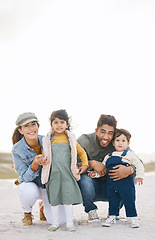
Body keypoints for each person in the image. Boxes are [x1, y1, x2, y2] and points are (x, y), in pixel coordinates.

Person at [77, 114, 138, 222]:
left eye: (110, 133)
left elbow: (137, 163)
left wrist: (129, 170)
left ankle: (114, 213)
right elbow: (72, 163)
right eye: (103, 132)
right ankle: (91, 211)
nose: (106, 137)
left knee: (129, 177)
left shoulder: (119, 142)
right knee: (83, 178)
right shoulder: (84, 140)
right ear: (96, 130)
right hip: (91, 187)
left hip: (112, 186)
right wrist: (91, 163)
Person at [12, 112, 65, 226]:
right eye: (26, 126)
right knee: (28, 190)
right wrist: (35, 164)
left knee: (61, 221)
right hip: (31, 184)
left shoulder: (48, 140)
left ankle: (43, 208)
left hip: (48, 186)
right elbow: (25, 177)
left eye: (33, 124)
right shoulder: (17, 149)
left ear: (38, 126)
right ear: (20, 130)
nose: (31, 128)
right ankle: (27, 213)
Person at [41, 109, 89, 232]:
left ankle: (69, 223)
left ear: (67, 124)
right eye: (56, 122)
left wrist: (85, 164)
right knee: (55, 200)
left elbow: (81, 152)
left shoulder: (70, 139)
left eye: (62, 122)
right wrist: (43, 160)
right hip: (53, 174)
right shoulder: (48, 139)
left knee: (68, 199)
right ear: (51, 124)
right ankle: (55, 223)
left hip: (67, 174)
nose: (59, 125)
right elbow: (44, 155)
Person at [89, 128, 144, 228]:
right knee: (113, 201)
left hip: (126, 185)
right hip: (111, 185)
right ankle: (112, 216)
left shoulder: (129, 154)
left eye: (123, 141)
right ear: (113, 143)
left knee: (129, 200)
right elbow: (103, 171)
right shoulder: (108, 156)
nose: (120, 143)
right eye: (117, 140)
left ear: (128, 143)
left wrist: (139, 176)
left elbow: (139, 164)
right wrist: (95, 174)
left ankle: (133, 218)